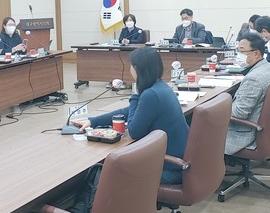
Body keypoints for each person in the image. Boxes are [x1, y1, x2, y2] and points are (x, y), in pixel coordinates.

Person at [71, 47, 189, 184]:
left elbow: (133, 131)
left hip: (168, 170)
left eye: (131, 66)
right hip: (177, 163)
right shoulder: (161, 87)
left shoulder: (150, 94)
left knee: (107, 173)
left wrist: (135, 95)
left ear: (138, 69)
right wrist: (93, 121)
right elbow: (130, 111)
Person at [224, 33, 270, 155]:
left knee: (195, 121)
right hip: (267, 129)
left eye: (242, 51)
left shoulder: (253, 79)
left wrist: (218, 107)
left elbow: (239, 113)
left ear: (256, 54)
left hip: (242, 135)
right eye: (237, 51)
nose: (238, 55)